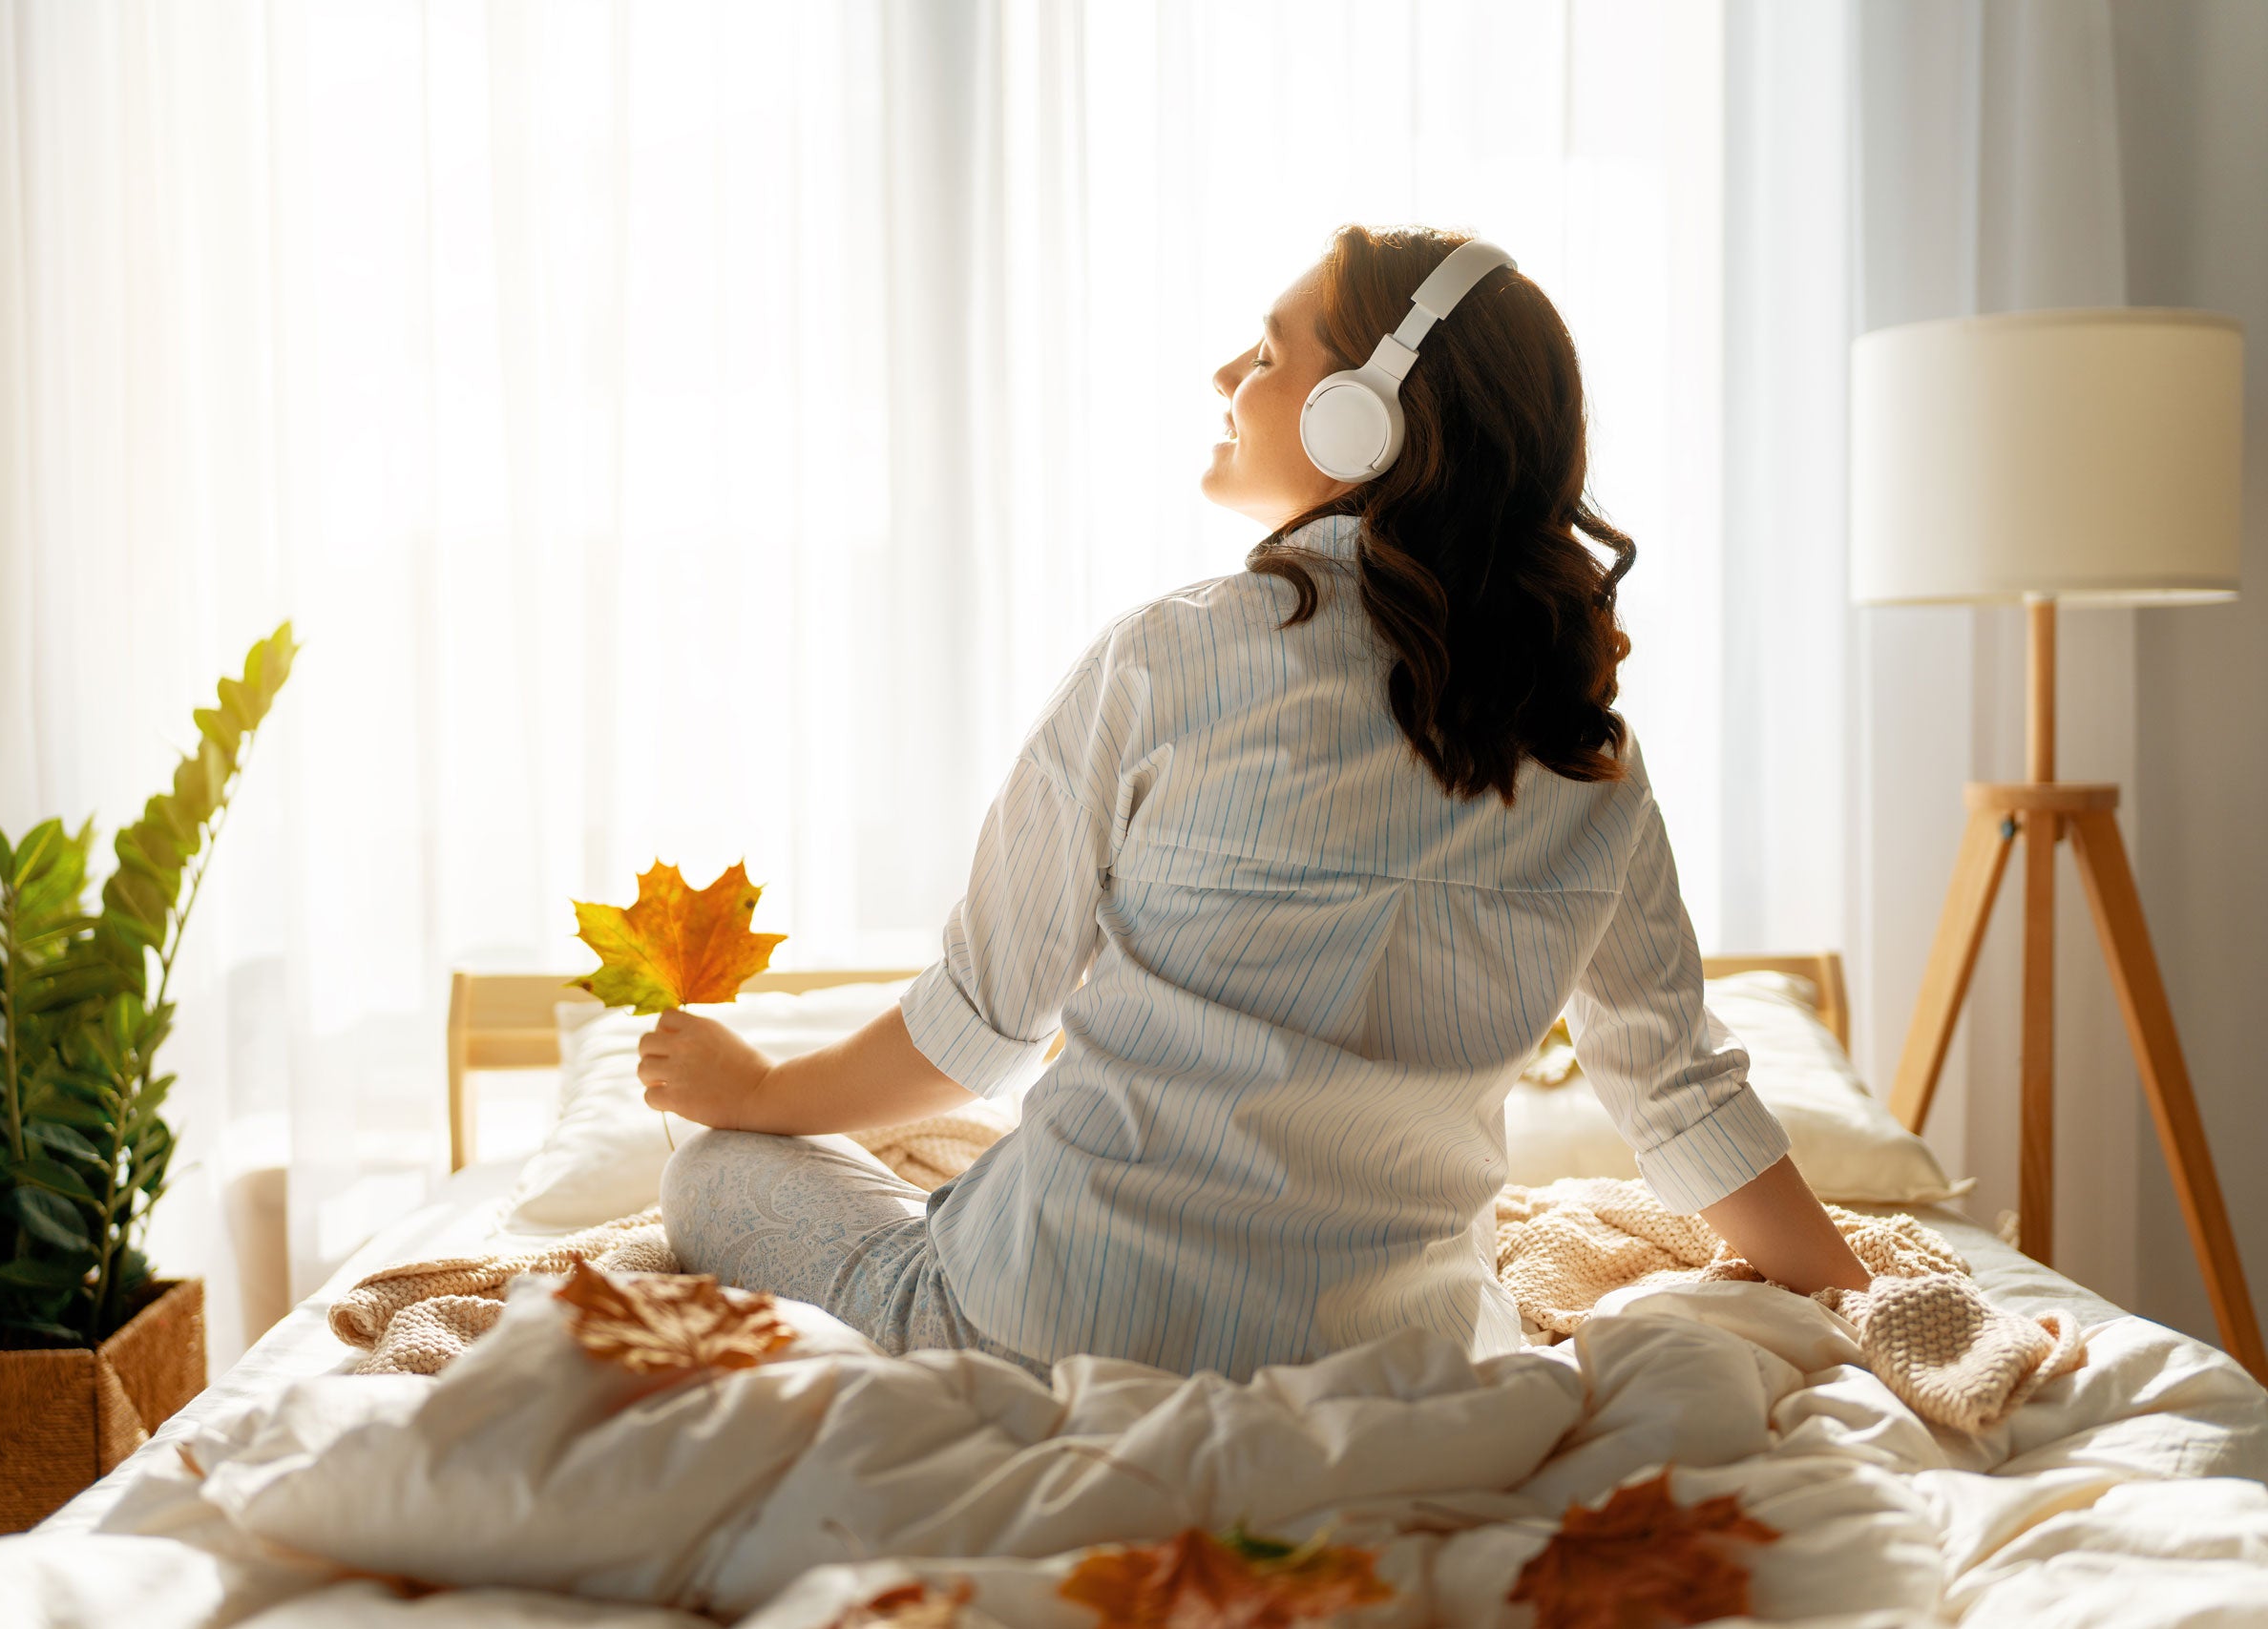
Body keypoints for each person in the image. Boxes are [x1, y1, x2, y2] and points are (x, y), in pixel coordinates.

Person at [653, 224, 1869, 1382]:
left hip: (1044, 1327)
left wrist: (754, 1096)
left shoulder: (1164, 659)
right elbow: (1678, 1096)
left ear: (1365, 420)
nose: (1227, 372)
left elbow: (977, 1029)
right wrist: (1860, 1302)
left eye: (1270, 352)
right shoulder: (1581, 746)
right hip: (1403, 1364)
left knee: (716, 1175)